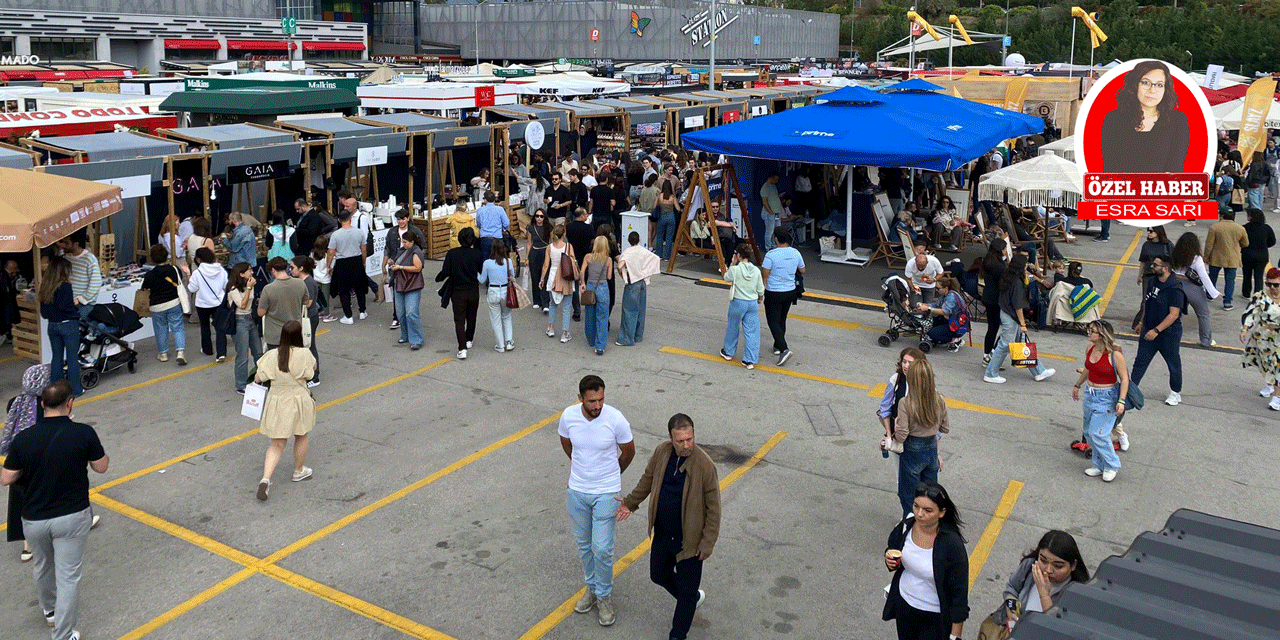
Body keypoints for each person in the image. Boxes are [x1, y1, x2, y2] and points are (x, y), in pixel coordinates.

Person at [2, 380, 108, 640]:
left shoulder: (24, 438)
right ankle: (62, 635)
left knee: (43, 566)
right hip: (72, 516)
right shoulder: (83, 433)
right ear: (70, 403)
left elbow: (7, 477)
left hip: (35, 519)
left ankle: (49, 611)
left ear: (42, 405)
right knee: (68, 577)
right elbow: (101, 466)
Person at [615, 413, 721, 640]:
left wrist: (708, 542)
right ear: (670, 438)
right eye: (681, 440)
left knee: (686, 590)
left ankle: (678, 633)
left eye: (690, 439)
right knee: (658, 575)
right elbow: (647, 479)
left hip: (690, 541)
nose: (686, 445)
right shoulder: (662, 452)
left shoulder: (705, 465)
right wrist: (631, 502)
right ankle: (690, 599)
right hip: (664, 533)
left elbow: (714, 508)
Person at [558, 375, 635, 627]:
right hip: (577, 491)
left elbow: (628, 451)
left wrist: (610, 476)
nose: (598, 405)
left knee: (601, 548)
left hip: (607, 493)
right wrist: (583, 469)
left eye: (601, 399)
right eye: (592, 401)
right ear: (580, 398)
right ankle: (591, 588)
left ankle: (603, 596)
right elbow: (567, 444)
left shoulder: (615, 419)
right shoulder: (569, 416)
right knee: (584, 546)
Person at [882, 481, 968, 640]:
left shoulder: (951, 544)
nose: (919, 514)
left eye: (928, 510)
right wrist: (889, 558)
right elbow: (892, 546)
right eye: (916, 506)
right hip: (904, 606)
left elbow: (959, 594)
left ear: (941, 513)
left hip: (934, 616)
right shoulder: (906, 526)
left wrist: (955, 635)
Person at [253, 321, 316, 501]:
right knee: (301, 435)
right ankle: (299, 470)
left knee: (277, 443)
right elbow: (311, 373)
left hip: (277, 401)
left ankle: (265, 479)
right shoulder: (304, 354)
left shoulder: (272, 355)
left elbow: (258, 377)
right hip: (298, 400)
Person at [983, 531, 1090, 634]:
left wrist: (1044, 594)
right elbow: (1012, 588)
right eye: (1043, 560)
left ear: (1073, 566)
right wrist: (1012, 608)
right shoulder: (1029, 567)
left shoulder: (1078, 593)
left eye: (1058, 566)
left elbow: (1056, 629)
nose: (1048, 570)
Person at [884, 359, 950, 518]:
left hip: (912, 449)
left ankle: (910, 523)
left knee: (908, 492)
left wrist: (894, 430)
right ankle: (930, 522)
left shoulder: (905, 403)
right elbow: (945, 428)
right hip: (931, 449)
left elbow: (902, 435)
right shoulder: (939, 399)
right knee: (930, 492)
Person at [1099, 60, 1189, 173]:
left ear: (1165, 90)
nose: (1152, 90)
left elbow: (1174, 171)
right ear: (1135, 85)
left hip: (1161, 189)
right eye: (1146, 83)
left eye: (1159, 85)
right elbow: (1109, 169)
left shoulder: (1177, 120)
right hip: (1122, 189)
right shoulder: (1113, 119)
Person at [984, 253, 1056, 384]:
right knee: (1004, 345)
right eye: (1025, 264)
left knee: (1021, 344)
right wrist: (1023, 323)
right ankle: (990, 373)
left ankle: (1038, 371)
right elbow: (1018, 306)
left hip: (1006, 312)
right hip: (1012, 316)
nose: (1027, 266)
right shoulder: (1017, 282)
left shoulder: (1008, 276)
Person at [3, 364, 50, 564]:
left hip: (18, 458)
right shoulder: (47, 403)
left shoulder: (15, 401)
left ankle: (26, 545)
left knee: (21, 498)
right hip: (41, 459)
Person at [1071, 320, 1129, 481]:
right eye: (1089, 330)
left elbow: (1125, 379)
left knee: (1099, 434)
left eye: (1092, 331)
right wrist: (1077, 385)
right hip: (1090, 394)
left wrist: (1121, 401)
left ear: (1102, 334)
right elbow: (1088, 369)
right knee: (1089, 433)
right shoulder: (1090, 348)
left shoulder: (1115, 355)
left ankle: (1112, 465)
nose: (1088, 333)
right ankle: (1099, 465)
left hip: (1107, 397)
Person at [1131, 255, 1185, 406]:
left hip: (1168, 333)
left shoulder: (1175, 288)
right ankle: (1131, 388)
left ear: (1165, 268)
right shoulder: (1153, 282)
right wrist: (1142, 322)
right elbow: (1147, 304)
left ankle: (1175, 392)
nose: (1152, 267)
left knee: (1173, 362)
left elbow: (1173, 315)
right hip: (1149, 328)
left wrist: (1156, 330)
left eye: (1155, 265)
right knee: (1140, 361)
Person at [38, 257, 83, 398]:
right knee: (72, 358)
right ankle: (75, 389)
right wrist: (76, 309)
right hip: (68, 325)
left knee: (56, 357)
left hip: (52, 325)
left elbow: (44, 312)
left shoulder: (45, 287)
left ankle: (54, 389)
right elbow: (66, 307)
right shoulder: (65, 287)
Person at [436, 226, 484, 360]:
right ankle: (469, 339)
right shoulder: (477, 254)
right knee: (472, 316)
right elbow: (481, 271)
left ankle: (462, 348)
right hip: (473, 289)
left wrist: (439, 278)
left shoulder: (452, 253)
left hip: (457, 291)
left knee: (459, 320)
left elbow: (445, 271)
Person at [761, 229, 805, 367]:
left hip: (774, 291)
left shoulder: (771, 255)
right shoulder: (795, 252)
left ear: (775, 238)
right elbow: (803, 270)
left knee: (772, 321)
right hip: (790, 291)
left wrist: (760, 292)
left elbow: (765, 275)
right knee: (782, 319)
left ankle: (784, 349)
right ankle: (777, 346)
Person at [1169, 232, 1220, 347]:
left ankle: (1172, 337)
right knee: (1203, 314)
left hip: (1175, 284)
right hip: (1192, 287)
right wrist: (1214, 292)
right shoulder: (1196, 259)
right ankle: (1206, 340)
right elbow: (1204, 277)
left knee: (1175, 313)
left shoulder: (1174, 254)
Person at [139, 244, 187, 366]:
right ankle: (180, 351)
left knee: (161, 329)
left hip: (157, 306)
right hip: (174, 302)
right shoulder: (174, 269)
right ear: (166, 256)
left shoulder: (150, 275)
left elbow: (144, 288)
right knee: (178, 327)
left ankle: (163, 353)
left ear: (152, 258)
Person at [1240, 267, 1280, 411]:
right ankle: (1269, 385)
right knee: (1267, 363)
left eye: (1276, 284)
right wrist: (1245, 329)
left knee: (1278, 366)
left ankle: (1277, 397)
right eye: (1269, 284)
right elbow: (1252, 313)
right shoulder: (1261, 296)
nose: (1272, 288)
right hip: (1264, 337)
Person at [383, 208, 426, 331]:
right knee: (396, 291)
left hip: (410, 268)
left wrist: (418, 261)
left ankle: (409, 315)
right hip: (395, 267)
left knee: (411, 290)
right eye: (398, 219)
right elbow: (387, 248)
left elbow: (423, 246)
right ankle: (397, 317)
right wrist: (384, 263)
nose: (400, 221)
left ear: (408, 219)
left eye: (403, 219)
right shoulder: (392, 232)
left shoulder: (415, 231)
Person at [256, 257, 311, 350]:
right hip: (295, 331)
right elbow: (306, 302)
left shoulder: (268, 289)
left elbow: (261, 313)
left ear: (273, 270)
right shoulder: (300, 283)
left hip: (275, 335)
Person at [617, 231, 659, 347]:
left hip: (632, 282)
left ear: (628, 240)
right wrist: (646, 272)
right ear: (639, 240)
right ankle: (638, 335)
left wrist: (622, 274)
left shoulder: (627, 252)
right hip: (642, 282)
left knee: (629, 311)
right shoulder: (643, 251)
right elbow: (655, 258)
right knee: (640, 309)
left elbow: (620, 265)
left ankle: (626, 338)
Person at [325, 208, 368, 324]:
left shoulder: (335, 235)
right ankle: (362, 311)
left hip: (342, 262)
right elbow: (363, 249)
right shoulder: (359, 232)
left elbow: (331, 252)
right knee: (360, 287)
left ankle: (348, 316)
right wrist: (363, 262)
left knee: (343, 290)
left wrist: (328, 266)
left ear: (339, 220)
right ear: (351, 219)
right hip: (357, 260)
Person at [225, 263, 262, 394]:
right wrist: (248, 288)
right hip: (240, 321)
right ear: (241, 274)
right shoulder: (233, 288)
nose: (251, 272)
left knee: (258, 352)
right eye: (248, 270)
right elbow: (242, 304)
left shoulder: (249, 284)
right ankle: (241, 385)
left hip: (251, 319)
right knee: (242, 355)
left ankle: (261, 378)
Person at [187, 247, 228, 362]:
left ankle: (207, 349)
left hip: (202, 304)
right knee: (220, 328)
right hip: (218, 302)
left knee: (205, 327)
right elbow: (226, 286)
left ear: (199, 260)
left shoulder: (197, 273)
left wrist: (188, 276)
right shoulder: (221, 270)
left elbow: (192, 288)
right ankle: (221, 353)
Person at [1204, 209, 1249, 311]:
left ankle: (1210, 294)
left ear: (1222, 216)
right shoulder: (1240, 228)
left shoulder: (1215, 227)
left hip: (1216, 257)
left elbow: (1209, 245)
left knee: (1212, 277)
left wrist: (1206, 257)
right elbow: (1245, 243)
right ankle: (1227, 302)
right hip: (1232, 258)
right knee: (1230, 281)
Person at [388, 231, 426, 351]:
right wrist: (393, 263)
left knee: (411, 313)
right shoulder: (402, 250)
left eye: (405, 242)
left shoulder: (416, 252)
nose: (403, 244)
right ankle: (405, 335)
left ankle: (416, 339)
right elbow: (399, 261)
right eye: (402, 241)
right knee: (401, 313)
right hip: (399, 284)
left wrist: (401, 267)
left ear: (412, 242)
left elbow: (417, 268)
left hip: (412, 285)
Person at [478, 239, 515, 353]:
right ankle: (509, 341)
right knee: (507, 316)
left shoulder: (487, 263)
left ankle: (500, 345)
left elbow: (482, 280)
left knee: (495, 319)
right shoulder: (508, 261)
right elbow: (513, 275)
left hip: (493, 290)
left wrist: (476, 273)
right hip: (505, 290)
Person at [55, 231, 100, 322]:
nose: (63, 245)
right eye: (63, 242)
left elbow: (96, 283)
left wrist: (81, 300)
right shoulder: (66, 257)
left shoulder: (89, 259)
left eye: (66, 243)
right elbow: (58, 268)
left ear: (76, 244)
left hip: (84, 306)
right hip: (69, 304)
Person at [580, 236, 614, 356]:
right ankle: (600, 346)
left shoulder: (588, 257)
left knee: (590, 314)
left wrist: (583, 283)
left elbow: (582, 271)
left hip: (590, 286)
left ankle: (591, 340)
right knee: (603, 317)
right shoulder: (608, 260)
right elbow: (609, 277)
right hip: (603, 287)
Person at [915, 276, 967, 351]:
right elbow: (936, 305)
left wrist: (928, 308)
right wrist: (924, 305)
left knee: (931, 333)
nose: (936, 290)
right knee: (930, 325)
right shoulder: (945, 295)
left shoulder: (951, 296)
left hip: (955, 325)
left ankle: (955, 339)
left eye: (938, 288)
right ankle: (945, 337)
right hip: (949, 321)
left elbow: (945, 311)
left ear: (946, 288)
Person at [980, 238, 1008, 365]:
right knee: (1008, 328)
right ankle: (992, 355)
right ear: (1001, 250)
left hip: (988, 297)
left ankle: (986, 354)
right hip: (997, 299)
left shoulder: (988, 261)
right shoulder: (999, 266)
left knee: (992, 327)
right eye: (1005, 248)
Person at [567, 207, 596, 321]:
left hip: (573, 258)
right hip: (586, 258)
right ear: (582, 215)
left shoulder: (569, 227)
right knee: (587, 282)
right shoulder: (589, 228)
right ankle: (588, 302)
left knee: (574, 285)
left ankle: (577, 310)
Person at [1241, 208, 1276, 300]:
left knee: (1247, 275)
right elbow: (1272, 241)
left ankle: (1246, 293)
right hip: (1262, 255)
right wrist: (1264, 245)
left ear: (1251, 217)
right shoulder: (1266, 228)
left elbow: (1240, 241)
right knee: (1259, 276)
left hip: (1247, 254)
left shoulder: (1245, 228)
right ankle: (1258, 295)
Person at [475, 190, 509, 260]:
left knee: (486, 260)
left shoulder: (480, 210)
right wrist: (503, 229)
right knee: (498, 259)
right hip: (497, 237)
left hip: (485, 238)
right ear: (494, 200)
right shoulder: (500, 209)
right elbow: (506, 223)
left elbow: (478, 223)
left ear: (485, 200)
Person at [760, 172, 784, 250]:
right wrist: (770, 212)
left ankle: (774, 246)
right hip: (769, 214)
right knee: (769, 232)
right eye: (776, 179)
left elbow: (774, 197)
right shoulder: (765, 187)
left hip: (776, 213)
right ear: (771, 178)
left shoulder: (773, 186)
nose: (776, 181)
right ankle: (768, 248)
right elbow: (765, 201)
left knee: (777, 231)